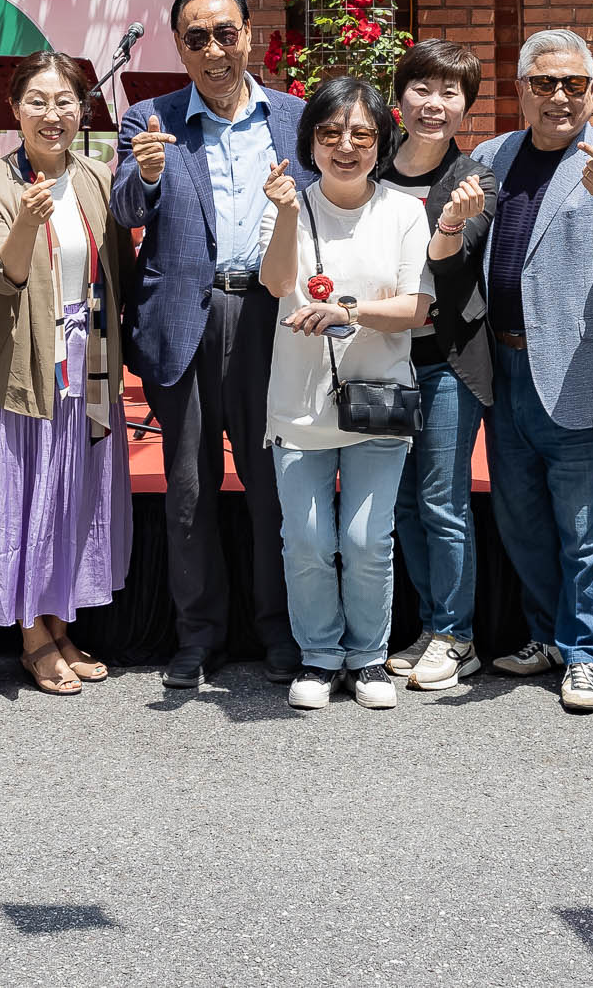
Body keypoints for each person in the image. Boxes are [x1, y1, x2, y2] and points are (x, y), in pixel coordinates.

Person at [112, 0, 302, 689]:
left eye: (226, 33)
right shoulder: (149, 119)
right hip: (183, 323)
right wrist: (150, 175)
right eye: (197, 38)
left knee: (271, 486)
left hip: (269, 319)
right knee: (189, 490)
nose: (215, 50)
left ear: (250, 34)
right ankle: (198, 635)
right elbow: (126, 205)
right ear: (181, 49)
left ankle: (279, 629)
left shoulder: (294, 118)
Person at [475, 28, 593, 714]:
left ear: (592, 89)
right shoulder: (491, 155)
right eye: (544, 83)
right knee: (522, 517)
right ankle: (551, 634)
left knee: (590, 525)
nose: (559, 96)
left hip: (579, 365)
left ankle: (589, 655)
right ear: (521, 89)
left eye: (574, 84)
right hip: (504, 365)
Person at [0, 54, 135, 695]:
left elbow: (117, 270)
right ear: (14, 109)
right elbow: (0, 279)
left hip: (89, 362)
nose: (52, 115)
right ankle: (32, 635)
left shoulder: (95, 176)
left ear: (82, 110)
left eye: (65, 102)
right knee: (25, 499)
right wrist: (28, 221)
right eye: (37, 101)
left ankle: (60, 623)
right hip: (23, 368)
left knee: (69, 496)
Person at [260, 76, 436, 711]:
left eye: (361, 134)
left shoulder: (403, 211)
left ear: (381, 142)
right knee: (306, 542)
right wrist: (282, 213)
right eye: (330, 133)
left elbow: (418, 308)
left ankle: (367, 659)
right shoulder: (292, 203)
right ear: (311, 140)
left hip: (378, 400)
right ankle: (318, 654)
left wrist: (349, 312)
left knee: (366, 542)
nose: (345, 146)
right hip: (300, 404)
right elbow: (278, 281)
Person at [376, 40, 496, 692]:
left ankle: (457, 636)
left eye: (451, 92)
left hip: (445, 362)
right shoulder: (368, 165)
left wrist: (449, 224)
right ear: (401, 98)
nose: (434, 103)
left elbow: (450, 270)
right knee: (400, 498)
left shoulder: (474, 178)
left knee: (441, 498)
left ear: (463, 109)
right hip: (380, 360)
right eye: (424, 87)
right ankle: (431, 624)